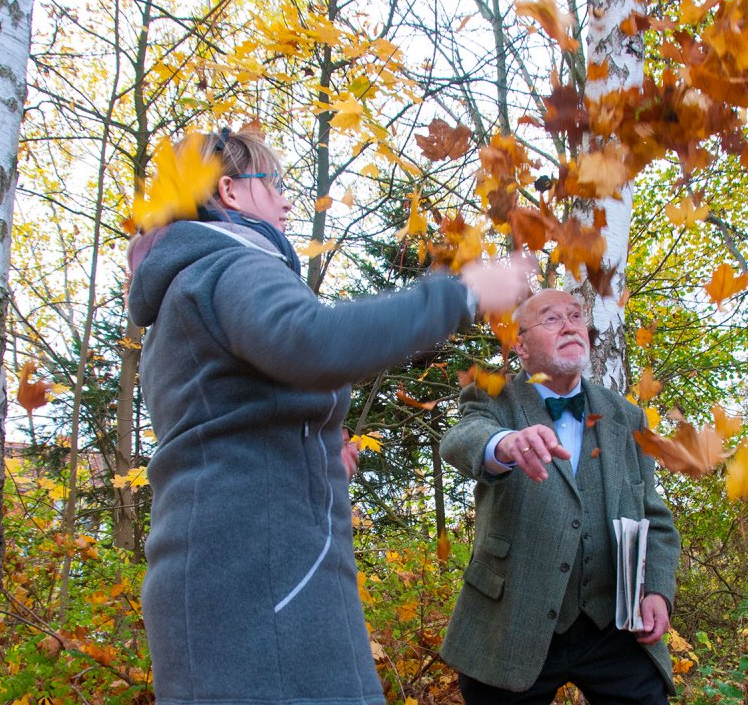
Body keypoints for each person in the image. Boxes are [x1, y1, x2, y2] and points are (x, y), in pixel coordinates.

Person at [126, 129, 530, 705]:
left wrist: (315, 459)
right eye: (277, 185)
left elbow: (219, 429)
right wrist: (461, 295)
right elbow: (314, 341)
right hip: (265, 578)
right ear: (231, 192)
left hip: (211, 569)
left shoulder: (177, 296)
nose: (289, 202)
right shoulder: (230, 265)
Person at [439, 288, 682, 705]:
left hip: (613, 624)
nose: (570, 325)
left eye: (575, 316)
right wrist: (506, 443)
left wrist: (657, 589)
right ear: (520, 345)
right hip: (512, 619)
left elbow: (654, 516)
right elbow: (460, 440)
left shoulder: (627, 416)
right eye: (551, 319)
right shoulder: (492, 397)